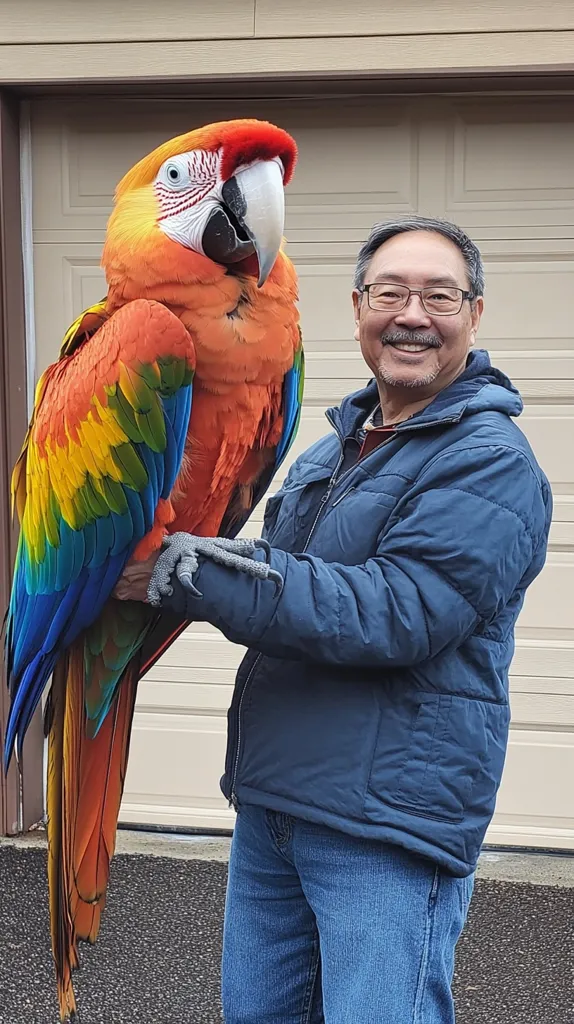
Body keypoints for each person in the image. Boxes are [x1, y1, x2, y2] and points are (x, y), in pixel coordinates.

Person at [115, 215, 552, 1023]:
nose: (412, 314)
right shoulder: (329, 453)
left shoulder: (487, 460)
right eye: (390, 292)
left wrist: (188, 574)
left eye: (439, 295)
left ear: (474, 315)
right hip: (275, 806)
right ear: (357, 308)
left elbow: (395, 613)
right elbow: (279, 582)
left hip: (384, 825)